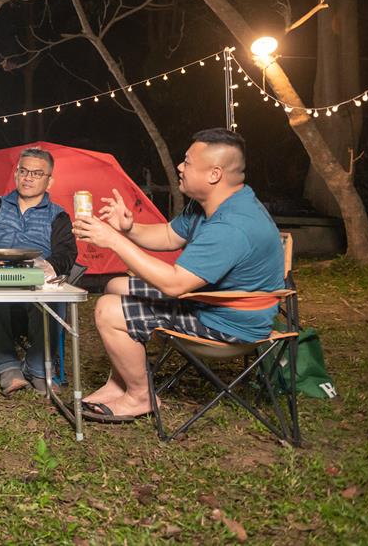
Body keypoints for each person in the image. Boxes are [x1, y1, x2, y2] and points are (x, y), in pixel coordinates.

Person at [72, 128, 285, 423]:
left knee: (109, 309)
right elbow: (169, 236)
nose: (180, 167)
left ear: (214, 174)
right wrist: (128, 229)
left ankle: (141, 396)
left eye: (187, 162)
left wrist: (113, 240)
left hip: (231, 321)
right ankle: (119, 384)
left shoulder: (232, 225)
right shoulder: (211, 204)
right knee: (116, 285)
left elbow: (174, 284)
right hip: (211, 300)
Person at [0, 147, 78, 395]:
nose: (28, 178)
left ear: (49, 181)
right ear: (16, 175)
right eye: (23, 171)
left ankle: (38, 368)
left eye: (37, 173)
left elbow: (66, 254)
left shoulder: (58, 216)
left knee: (55, 297)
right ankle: (7, 367)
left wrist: (49, 267)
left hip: (34, 283)